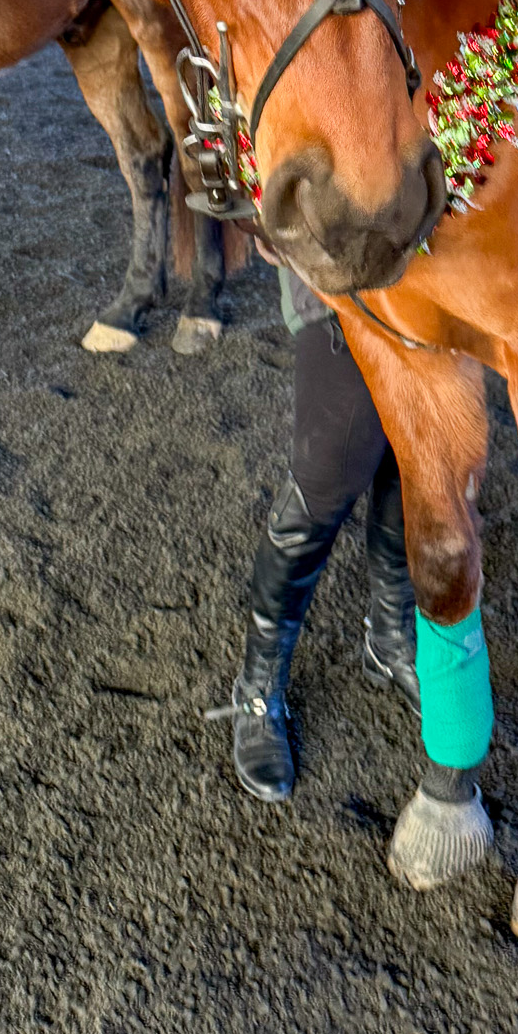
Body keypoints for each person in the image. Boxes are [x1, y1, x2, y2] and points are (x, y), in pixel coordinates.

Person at [215, 268, 418, 802]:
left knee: (417, 465)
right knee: (328, 475)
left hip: (441, 272)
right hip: (344, 266)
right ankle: (258, 685)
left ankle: (391, 635)